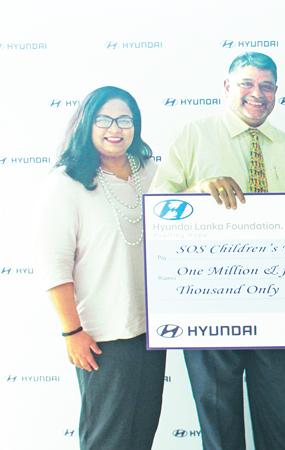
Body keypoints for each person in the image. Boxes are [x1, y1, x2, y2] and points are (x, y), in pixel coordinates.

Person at [150, 52, 285, 450]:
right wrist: (196, 191)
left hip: (278, 307)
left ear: (276, 93)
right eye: (247, 84)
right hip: (208, 306)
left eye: (267, 86)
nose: (257, 94)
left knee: (280, 428)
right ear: (226, 87)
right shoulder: (194, 135)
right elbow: (156, 208)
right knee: (220, 433)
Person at [40, 85, 165, 450]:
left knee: (142, 432)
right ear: (86, 124)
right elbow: (54, 266)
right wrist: (72, 332)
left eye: (125, 119)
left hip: (152, 332)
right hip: (101, 337)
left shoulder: (152, 171)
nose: (116, 128)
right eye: (105, 119)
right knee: (107, 439)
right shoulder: (66, 183)